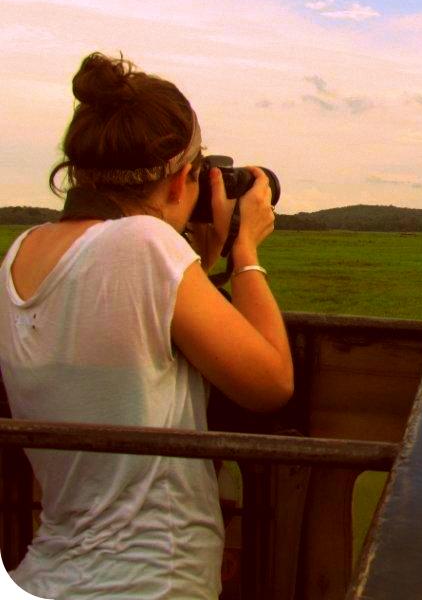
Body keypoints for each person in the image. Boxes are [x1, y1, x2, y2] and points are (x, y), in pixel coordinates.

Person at [0, 52, 293, 599]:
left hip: (48, 569)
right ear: (183, 179)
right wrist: (245, 250)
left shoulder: (22, 252)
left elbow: (132, 341)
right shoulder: (145, 243)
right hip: (153, 573)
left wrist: (196, 267)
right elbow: (270, 383)